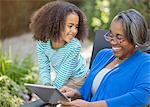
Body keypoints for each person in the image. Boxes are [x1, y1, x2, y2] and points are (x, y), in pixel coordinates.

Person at [59, 9, 150, 107]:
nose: (113, 42)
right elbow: (88, 91)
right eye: (111, 35)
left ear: (135, 38)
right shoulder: (102, 55)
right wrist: (75, 93)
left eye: (119, 37)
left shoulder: (145, 62)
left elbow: (142, 97)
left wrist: (90, 106)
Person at [29, 1, 88, 89]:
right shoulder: (42, 43)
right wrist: (46, 84)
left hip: (79, 78)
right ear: (55, 24)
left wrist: (53, 89)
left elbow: (65, 71)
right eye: (70, 26)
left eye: (76, 27)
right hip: (63, 79)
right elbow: (43, 66)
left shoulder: (74, 46)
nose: (74, 31)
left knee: (57, 98)